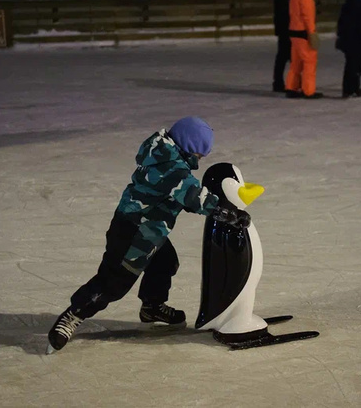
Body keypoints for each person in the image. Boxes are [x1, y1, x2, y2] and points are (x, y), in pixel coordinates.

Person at [47, 116, 251, 352]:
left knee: (165, 262)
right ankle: (73, 316)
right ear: (188, 146)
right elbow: (192, 195)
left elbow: (178, 193)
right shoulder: (170, 166)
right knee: (114, 282)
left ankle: (152, 306)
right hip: (133, 232)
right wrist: (227, 212)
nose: (199, 160)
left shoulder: (164, 154)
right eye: (198, 155)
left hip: (150, 228)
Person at [285, 0, 322, 99]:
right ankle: (308, 90)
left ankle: (291, 87)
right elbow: (307, 15)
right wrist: (311, 33)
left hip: (293, 30)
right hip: (303, 32)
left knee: (296, 62)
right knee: (309, 61)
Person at [272, 0, 299, 92]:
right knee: (287, 54)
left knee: (283, 54)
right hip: (288, 24)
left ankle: (279, 81)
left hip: (283, 23)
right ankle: (285, 82)